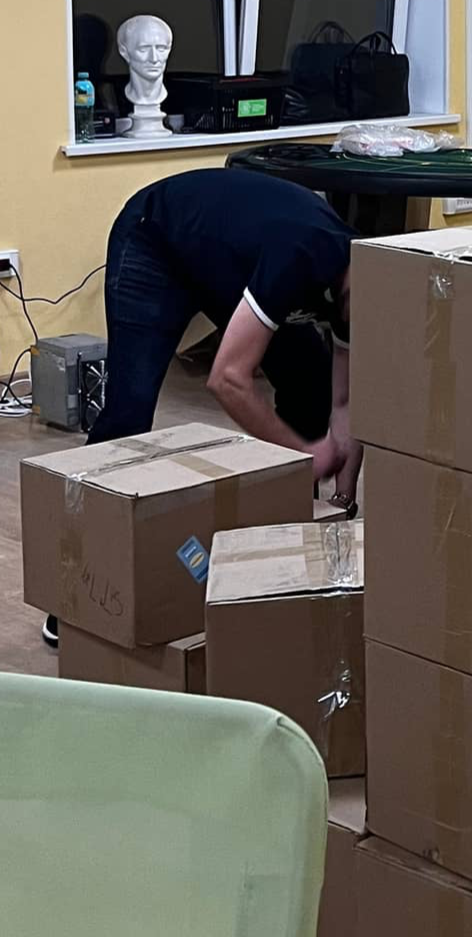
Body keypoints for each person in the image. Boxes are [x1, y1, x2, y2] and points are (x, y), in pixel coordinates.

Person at [42, 168, 360, 647]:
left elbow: (344, 402)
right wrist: (302, 453)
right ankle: (76, 593)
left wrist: (342, 498)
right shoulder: (302, 256)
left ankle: (295, 551)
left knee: (311, 383)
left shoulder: (362, 283)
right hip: (155, 238)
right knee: (129, 413)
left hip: (225, 261)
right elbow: (227, 380)